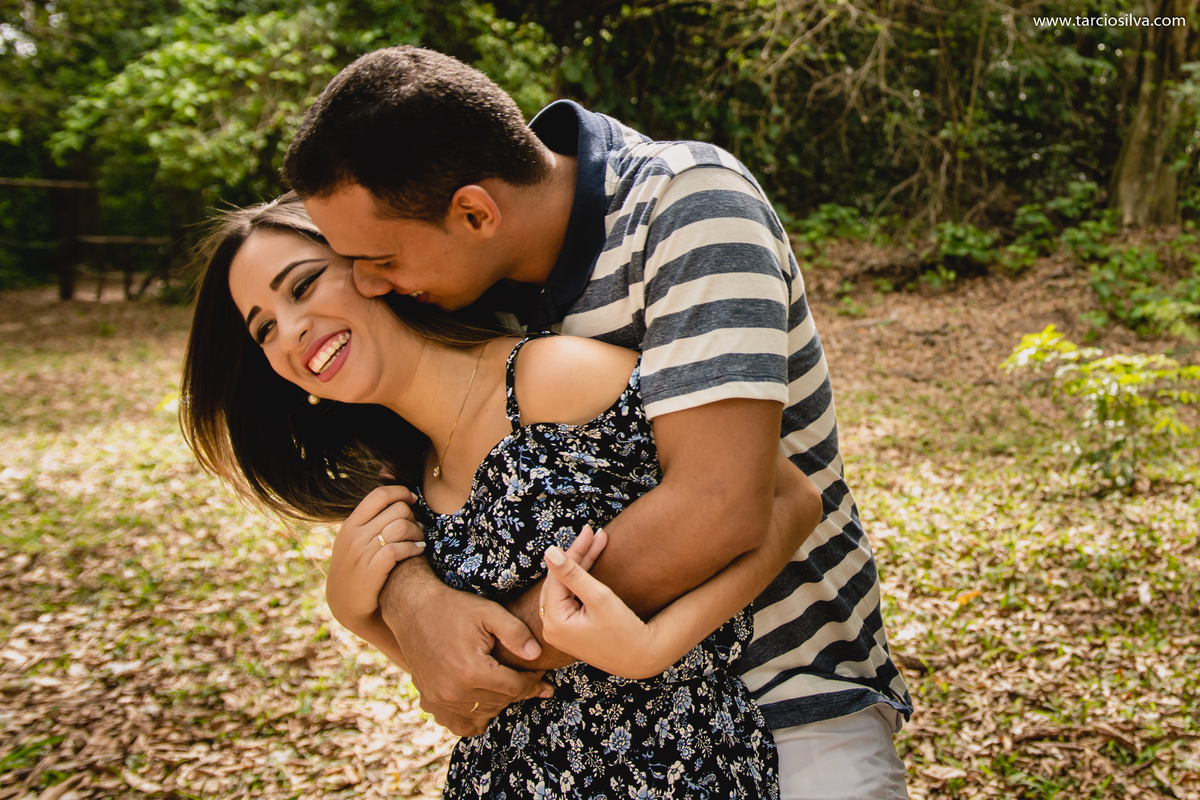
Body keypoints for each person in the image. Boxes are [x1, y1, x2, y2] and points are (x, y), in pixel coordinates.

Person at [282, 46, 914, 799]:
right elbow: (424, 480)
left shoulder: (686, 205)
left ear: (477, 211)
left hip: (783, 697)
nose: (366, 284)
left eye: (379, 258)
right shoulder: (465, 286)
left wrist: (499, 644)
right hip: (584, 744)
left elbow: (716, 507)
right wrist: (414, 601)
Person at [179, 195, 825, 797]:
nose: (291, 331)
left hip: (676, 768)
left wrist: (653, 647)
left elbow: (786, 497)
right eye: (264, 330)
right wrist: (363, 617)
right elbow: (464, 691)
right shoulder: (399, 483)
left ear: (372, 268)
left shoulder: (549, 375)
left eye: (302, 285)